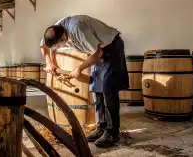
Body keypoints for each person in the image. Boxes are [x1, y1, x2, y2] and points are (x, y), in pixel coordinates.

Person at [40, 15, 129, 148]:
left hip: (111, 47)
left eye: (57, 46)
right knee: (97, 90)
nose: (57, 49)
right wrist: (49, 63)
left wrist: (79, 69)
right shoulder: (55, 30)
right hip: (97, 50)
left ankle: (112, 132)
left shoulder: (78, 30)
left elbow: (98, 53)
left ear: (64, 37)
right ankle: (101, 128)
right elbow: (43, 45)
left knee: (108, 90)